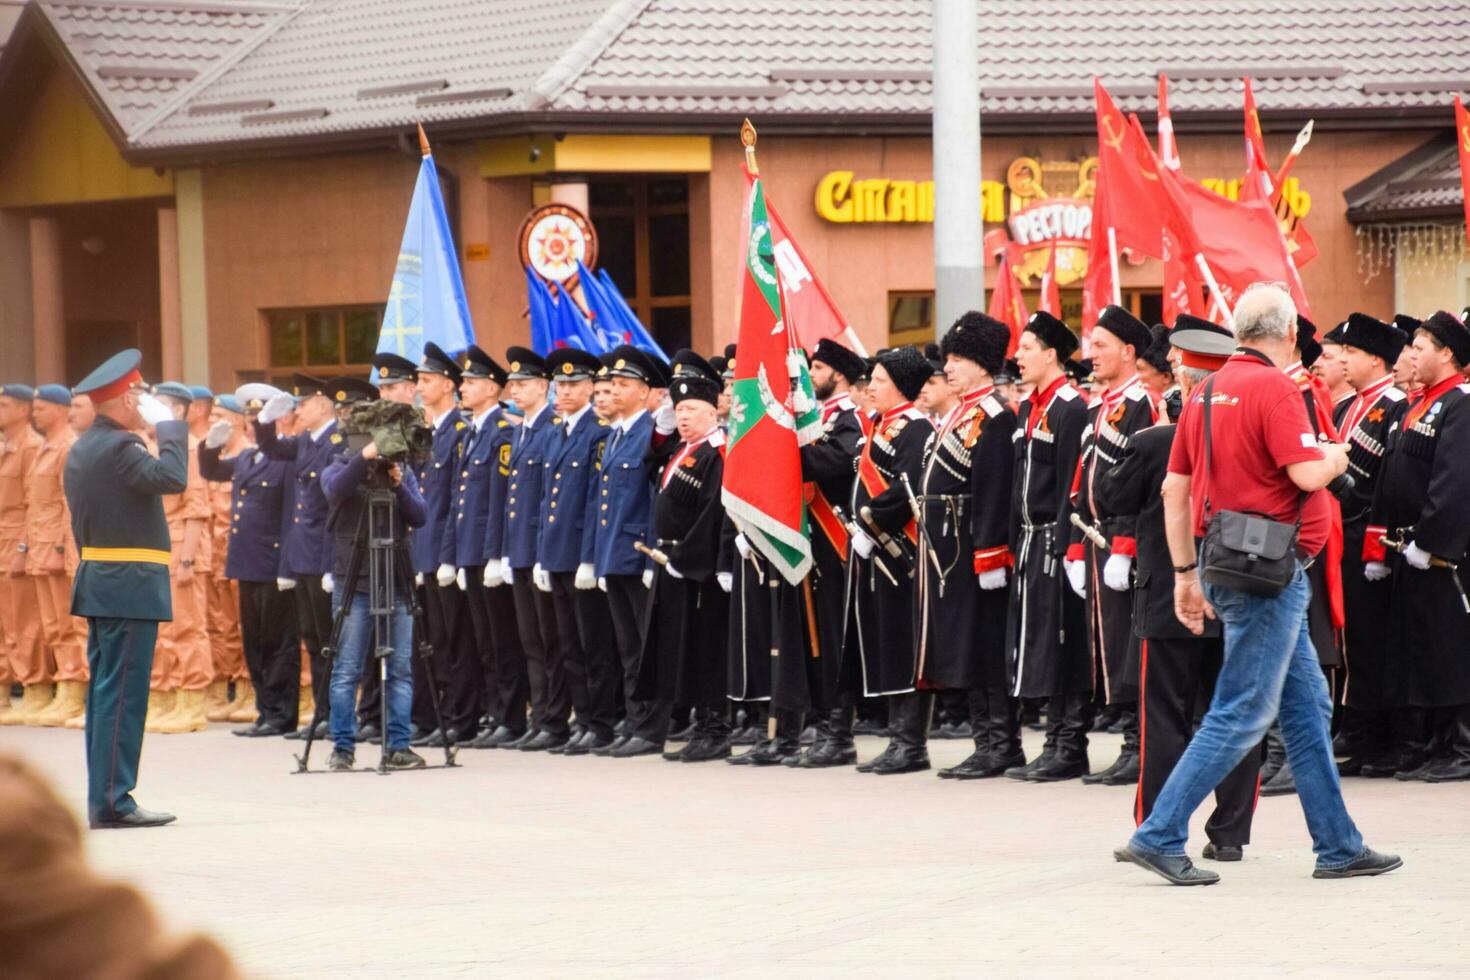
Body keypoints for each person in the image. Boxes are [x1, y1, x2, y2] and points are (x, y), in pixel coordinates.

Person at [1117, 283, 1399, 885]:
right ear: (1289, 335)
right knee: (1243, 710)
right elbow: (1304, 471)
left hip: (1226, 564)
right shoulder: (1274, 387)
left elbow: (1176, 491)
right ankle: (1159, 833)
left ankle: (1338, 845)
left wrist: (1185, 574)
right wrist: (1336, 457)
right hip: (1269, 572)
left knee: (1304, 707)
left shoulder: (1206, 389)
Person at [1096, 315, 1261, 863]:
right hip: (1239, 591)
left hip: (1170, 598)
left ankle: (1156, 827)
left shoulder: (1155, 440)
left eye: (1175, 370)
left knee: (1164, 717)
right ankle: (1231, 833)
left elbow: (1109, 497)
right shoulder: (1251, 435)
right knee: (1232, 713)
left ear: (1189, 381)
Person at [64, 349, 187, 828]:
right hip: (129, 586)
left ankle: (105, 798)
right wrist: (172, 427)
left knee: (106, 695)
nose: (141, 403)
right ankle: (115, 801)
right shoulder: (121, 448)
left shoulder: (84, 448)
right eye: (136, 394)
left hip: (103, 583)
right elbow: (172, 478)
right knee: (123, 698)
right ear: (123, 398)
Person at [916, 313, 1022, 781]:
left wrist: (990, 551)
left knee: (984, 646)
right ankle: (985, 740)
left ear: (983, 365)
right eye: (949, 359)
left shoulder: (994, 415)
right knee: (965, 646)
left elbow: (994, 488)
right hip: (949, 550)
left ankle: (1001, 743)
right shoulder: (960, 412)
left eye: (959, 359)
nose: (949, 368)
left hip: (973, 547)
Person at [1369, 310, 1470, 782]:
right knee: (1419, 648)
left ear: (1447, 353)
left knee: (1446, 648)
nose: (1411, 354)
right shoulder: (1421, 403)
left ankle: (1456, 746)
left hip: (1441, 551)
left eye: (1421, 346)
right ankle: (1429, 742)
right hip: (1408, 545)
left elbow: (1454, 483)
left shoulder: (1459, 403)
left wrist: (1430, 541)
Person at [1066, 305, 1158, 786]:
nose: (1091, 353)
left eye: (1100, 345)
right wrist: (1078, 549)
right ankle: (1128, 737)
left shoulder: (1143, 403)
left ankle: (1140, 745)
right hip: (1098, 543)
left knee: (1129, 650)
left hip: (1127, 546)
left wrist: (1123, 545)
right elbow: (1084, 480)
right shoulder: (1102, 404)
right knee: (1108, 651)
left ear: (1128, 351)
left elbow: (1141, 482)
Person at [320, 399, 429, 772]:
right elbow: (335, 490)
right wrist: (362, 459)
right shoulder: (339, 464)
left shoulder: (402, 471)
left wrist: (399, 486)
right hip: (355, 578)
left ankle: (399, 745)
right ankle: (343, 748)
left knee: (400, 667)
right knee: (347, 669)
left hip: (396, 580)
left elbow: (420, 515)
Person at [1005, 312, 1090, 782]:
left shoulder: (1070, 406)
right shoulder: (1029, 407)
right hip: (1031, 539)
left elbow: (1068, 487)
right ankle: (1054, 740)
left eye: (1028, 347)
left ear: (1052, 354)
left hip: (1055, 537)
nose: (1019, 357)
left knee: (1063, 639)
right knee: (1040, 641)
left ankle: (1070, 742)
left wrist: (1066, 545)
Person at [635, 351, 731, 762]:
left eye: (692, 408)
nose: (684, 416)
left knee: (707, 647)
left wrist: (687, 557)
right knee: (682, 648)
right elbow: (649, 462)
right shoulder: (683, 448)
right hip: (672, 562)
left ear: (713, 411)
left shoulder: (716, 452)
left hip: (699, 566)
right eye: (679, 409)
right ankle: (700, 724)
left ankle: (717, 727)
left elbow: (714, 512)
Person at [1326, 314, 1410, 776]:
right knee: (1352, 638)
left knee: (1372, 640)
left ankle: (1377, 734)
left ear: (1375, 359)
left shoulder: (1394, 406)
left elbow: (1389, 485)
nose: (1341, 358)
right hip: (1343, 533)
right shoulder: (1346, 408)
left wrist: (1377, 543)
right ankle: (1358, 726)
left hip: (1368, 534)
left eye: (1351, 352)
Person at [846, 346, 936, 775]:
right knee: (885, 641)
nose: (871, 387)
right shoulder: (880, 424)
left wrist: (870, 526)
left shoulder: (914, 427)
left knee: (903, 644)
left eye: (879, 380)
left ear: (900, 384)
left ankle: (911, 742)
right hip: (876, 550)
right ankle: (896, 737)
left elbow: (908, 487)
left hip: (900, 551)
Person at [782, 337, 867, 769]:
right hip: (811, 541)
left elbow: (833, 463)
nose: (809, 376)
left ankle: (840, 731)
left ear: (839, 375)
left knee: (834, 637)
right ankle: (819, 721)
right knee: (810, 639)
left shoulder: (848, 418)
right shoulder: (817, 418)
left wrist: (790, 448)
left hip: (837, 542)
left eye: (816, 369)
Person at [200, 386, 300, 738]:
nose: (254, 424)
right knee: (254, 640)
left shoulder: (287, 459)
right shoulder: (247, 458)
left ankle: (282, 714)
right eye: (250, 418)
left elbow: (291, 514)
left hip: (273, 562)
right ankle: (264, 709)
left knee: (278, 641)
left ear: (280, 419)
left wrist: (288, 563)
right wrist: (210, 445)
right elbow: (212, 471)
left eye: (260, 418)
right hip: (245, 561)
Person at [591, 347, 671, 759]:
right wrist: (600, 557)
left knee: (645, 645)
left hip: (638, 553)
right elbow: (605, 504)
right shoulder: (616, 434)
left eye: (624, 385)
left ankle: (651, 727)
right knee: (626, 647)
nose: (614, 391)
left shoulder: (651, 434)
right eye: (612, 385)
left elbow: (655, 499)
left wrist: (649, 555)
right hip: (615, 554)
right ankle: (635, 721)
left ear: (645, 393)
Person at [538, 347, 617, 755]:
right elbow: (545, 499)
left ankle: (600, 723)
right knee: (567, 645)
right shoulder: (556, 431)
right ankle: (582, 719)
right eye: (560, 384)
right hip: (556, 553)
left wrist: (589, 557)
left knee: (593, 645)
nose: (564, 390)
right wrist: (541, 554)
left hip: (580, 555)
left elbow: (592, 500)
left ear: (589, 387)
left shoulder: (598, 432)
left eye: (572, 384)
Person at [255, 374, 341, 738]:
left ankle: (335, 715)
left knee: (328, 639)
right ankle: (321, 713)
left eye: (303, 404)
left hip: (325, 551)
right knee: (310, 635)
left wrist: (332, 562)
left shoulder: (337, 440)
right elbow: (274, 449)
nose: (299, 410)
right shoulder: (306, 440)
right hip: (303, 553)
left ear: (323, 403)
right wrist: (263, 423)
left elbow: (336, 505)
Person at [451, 346, 522, 749]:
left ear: (493, 389)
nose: (464, 388)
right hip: (471, 551)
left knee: (502, 639)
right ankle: (495, 715)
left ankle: (510, 718)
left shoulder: (502, 431)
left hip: (490, 551)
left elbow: (499, 499)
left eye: (472, 382)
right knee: (484, 642)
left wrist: (496, 553)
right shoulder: (473, 432)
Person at [409, 343, 477, 747]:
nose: (419, 386)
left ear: (448, 385)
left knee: (456, 640)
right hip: (425, 551)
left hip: (445, 553)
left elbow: (455, 501)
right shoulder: (428, 432)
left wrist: (447, 556)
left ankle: (461, 718)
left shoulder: (459, 432)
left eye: (426, 380)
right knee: (430, 641)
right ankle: (435, 716)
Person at [500, 346, 565, 750]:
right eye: (513, 383)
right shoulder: (521, 429)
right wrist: (507, 551)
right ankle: (540, 717)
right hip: (520, 550)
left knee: (550, 641)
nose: (515, 389)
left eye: (523, 383)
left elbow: (547, 499)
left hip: (542, 550)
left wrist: (539, 551)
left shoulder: (551, 428)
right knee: (531, 642)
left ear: (543, 386)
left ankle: (555, 720)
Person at [142, 382, 213, 735]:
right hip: (158, 549)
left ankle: (190, 701)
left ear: (180, 411)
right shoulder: (153, 446)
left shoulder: (187, 448)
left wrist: (186, 560)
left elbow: (197, 509)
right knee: (162, 631)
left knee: (187, 628)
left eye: (163, 405)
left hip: (182, 549)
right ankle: (165, 697)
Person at [20, 386, 86, 727]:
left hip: (59, 549)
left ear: (60, 410)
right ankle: (64, 687)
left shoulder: (67, 447)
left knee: (70, 622)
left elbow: (68, 503)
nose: (35, 414)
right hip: (40, 545)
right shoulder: (46, 447)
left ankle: (75, 691)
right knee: (52, 624)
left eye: (41, 408)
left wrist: (60, 548)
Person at [0, 384, 45, 724]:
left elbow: (35, 505)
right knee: (4, 622)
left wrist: (22, 548)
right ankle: (5, 687)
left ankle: (34, 689)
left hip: (17, 538)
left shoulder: (32, 447)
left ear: (23, 410)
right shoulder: (8, 447)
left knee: (24, 621)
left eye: (4, 405)